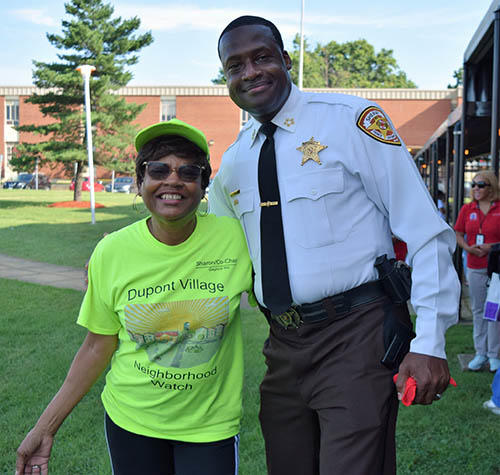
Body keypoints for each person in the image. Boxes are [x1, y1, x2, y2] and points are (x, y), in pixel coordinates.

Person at [209, 15, 461, 475]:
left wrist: (430, 342)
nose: (249, 73)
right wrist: (126, 253)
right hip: (282, 346)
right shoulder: (234, 161)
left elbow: (426, 232)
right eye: (234, 65)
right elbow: (211, 250)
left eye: (262, 57)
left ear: (285, 59)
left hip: (356, 337)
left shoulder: (351, 121)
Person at [15, 119, 253, 475]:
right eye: (158, 169)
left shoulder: (237, 239)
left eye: (188, 171)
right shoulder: (112, 251)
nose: (172, 179)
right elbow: (97, 346)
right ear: (140, 180)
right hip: (131, 422)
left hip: (210, 428)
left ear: (204, 185)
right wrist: (45, 428)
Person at [455, 170, 500, 372]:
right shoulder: (467, 209)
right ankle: (480, 352)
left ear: (491, 187)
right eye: (473, 185)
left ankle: (494, 354)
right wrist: (466, 247)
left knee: (494, 311)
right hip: (474, 266)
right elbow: (458, 233)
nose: (476, 188)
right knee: (478, 310)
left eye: (481, 185)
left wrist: (492, 247)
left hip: (495, 269)